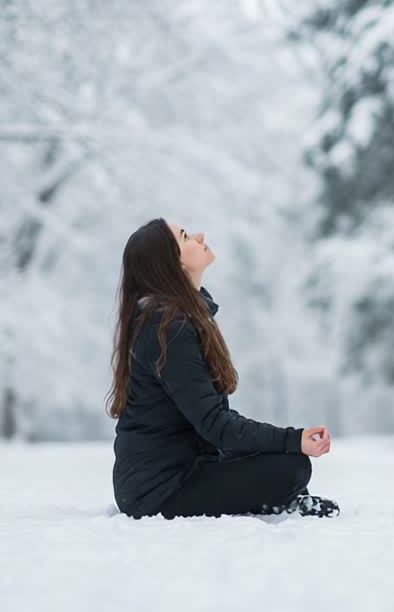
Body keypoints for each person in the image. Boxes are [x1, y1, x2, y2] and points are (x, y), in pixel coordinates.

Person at [107, 218, 340, 519]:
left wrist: (283, 444)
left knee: (279, 458)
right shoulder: (167, 330)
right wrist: (293, 439)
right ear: (171, 264)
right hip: (158, 490)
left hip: (181, 469)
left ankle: (285, 499)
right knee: (291, 466)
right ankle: (282, 500)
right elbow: (215, 425)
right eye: (185, 236)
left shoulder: (176, 319)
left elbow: (210, 429)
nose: (200, 236)